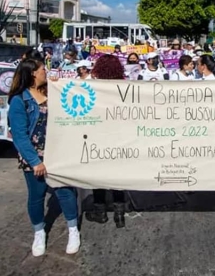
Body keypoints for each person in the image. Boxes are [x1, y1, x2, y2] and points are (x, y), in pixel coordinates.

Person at [8, 59, 80, 256]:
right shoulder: (19, 100)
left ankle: (73, 230)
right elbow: (20, 135)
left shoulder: (51, 91)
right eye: (42, 70)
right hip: (35, 156)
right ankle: (39, 233)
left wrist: (58, 84)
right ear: (32, 73)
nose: (45, 72)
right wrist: (34, 161)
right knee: (37, 196)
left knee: (65, 191)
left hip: (58, 152)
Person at [87, 54, 128, 227]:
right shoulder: (125, 86)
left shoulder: (92, 86)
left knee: (98, 174)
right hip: (119, 136)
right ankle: (119, 213)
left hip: (98, 135)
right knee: (118, 174)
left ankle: (100, 211)